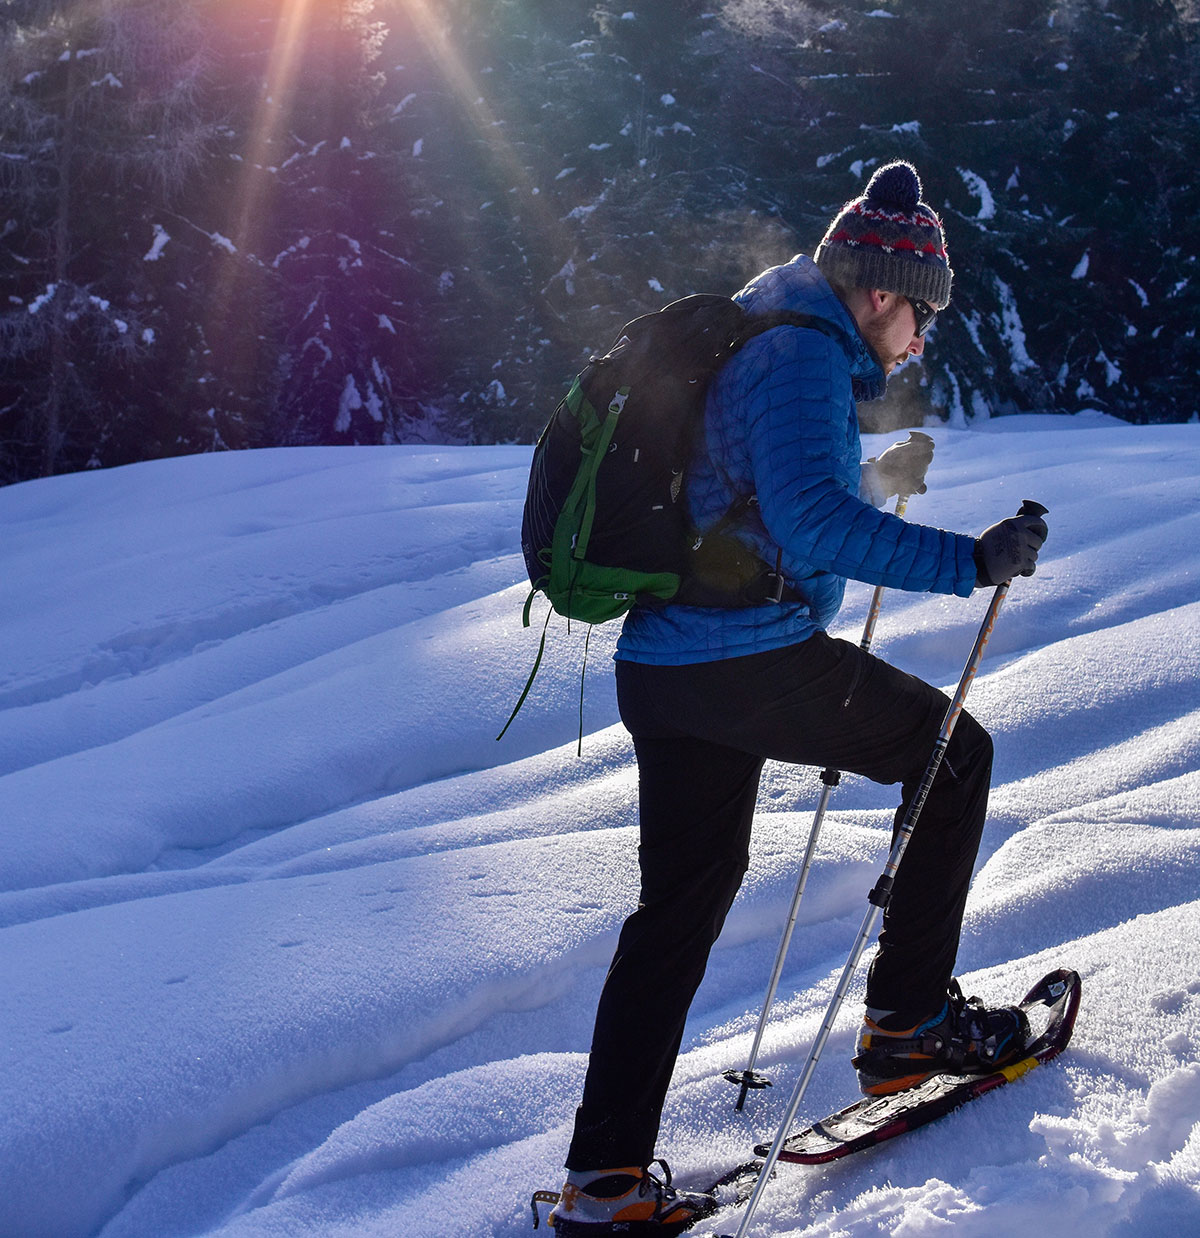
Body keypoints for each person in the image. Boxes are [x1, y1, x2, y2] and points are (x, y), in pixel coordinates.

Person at [548, 160, 1049, 1234]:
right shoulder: (802, 354)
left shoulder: (765, 325)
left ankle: (604, 1181)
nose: (919, 340)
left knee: (679, 908)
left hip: (670, 665)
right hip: (743, 656)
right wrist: (969, 560)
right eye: (920, 315)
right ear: (880, 291)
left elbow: (760, 495)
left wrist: (877, 485)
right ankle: (908, 1025)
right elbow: (811, 523)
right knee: (953, 754)